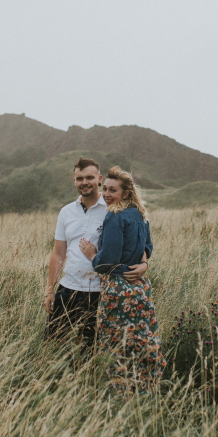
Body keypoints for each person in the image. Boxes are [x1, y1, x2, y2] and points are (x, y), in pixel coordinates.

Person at [43, 158, 147, 350]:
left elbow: (137, 243)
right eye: (79, 178)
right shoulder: (66, 212)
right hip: (67, 289)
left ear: (99, 178)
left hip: (101, 292)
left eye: (89, 177)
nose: (84, 182)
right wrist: (50, 290)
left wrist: (144, 264)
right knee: (52, 343)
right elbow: (58, 253)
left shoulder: (114, 207)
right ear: (74, 181)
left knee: (91, 348)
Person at [79, 166, 166, 394]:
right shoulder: (140, 214)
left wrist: (92, 256)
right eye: (105, 189)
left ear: (125, 193)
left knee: (117, 340)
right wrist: (144, 264)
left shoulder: (115, 216)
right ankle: (147, 385)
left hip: (118, 288)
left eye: (113, 190)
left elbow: (107, 262)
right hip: (140, 287)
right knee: (142, 336)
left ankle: (120, 391)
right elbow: (148, 247)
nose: (106, 194)